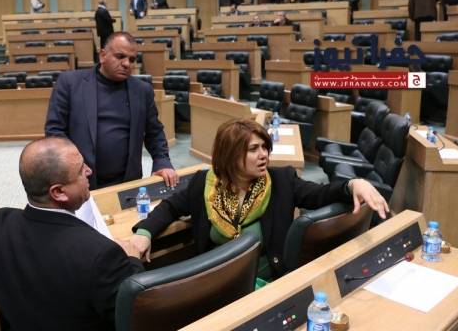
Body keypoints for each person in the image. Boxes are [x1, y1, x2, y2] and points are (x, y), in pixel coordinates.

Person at [128, 119, 390, 280]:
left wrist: (354, 183)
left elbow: (320, 193)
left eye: (265, 147)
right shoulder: (204, 184)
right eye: (254, 149)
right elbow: (171, 206)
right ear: (230, 155)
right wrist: (144, 233)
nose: (264, 154)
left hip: (265, 280)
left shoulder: (282, 181)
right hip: (214, 279)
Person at [0, 137, 144, 330]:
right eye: (80, 170)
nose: (89, 171)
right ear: (58, 192)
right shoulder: (101, 253)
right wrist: (133, 260)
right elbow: (136, 314)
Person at [45, 31, 178, 189]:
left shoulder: (142, 90)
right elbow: (55, 131)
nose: (127, 64)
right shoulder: (70, 83)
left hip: (127, 182)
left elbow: (154, 132)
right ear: (103, 55)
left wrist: (162, 161)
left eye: (132, 59)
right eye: (120, 56)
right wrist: (74, 164)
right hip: (79, 180)